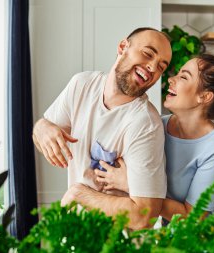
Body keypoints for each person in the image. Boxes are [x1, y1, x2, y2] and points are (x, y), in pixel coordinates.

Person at [32, 27, 172, 230]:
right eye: (148, 54)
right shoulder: (82, 85)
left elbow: (144, 216)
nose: (152, 67)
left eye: (161, 67)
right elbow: (44, 131)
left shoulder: (145, 123)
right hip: (76, 235)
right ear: (123, 47)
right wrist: (41, 127)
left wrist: (79, 194)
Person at [95, 54, 214, 222]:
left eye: (183, 76)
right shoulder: (155, 125)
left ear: (204, 97)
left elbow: (193, 218)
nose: (172, 79)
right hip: (173, 240)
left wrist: (134, 186)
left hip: (209, 242)